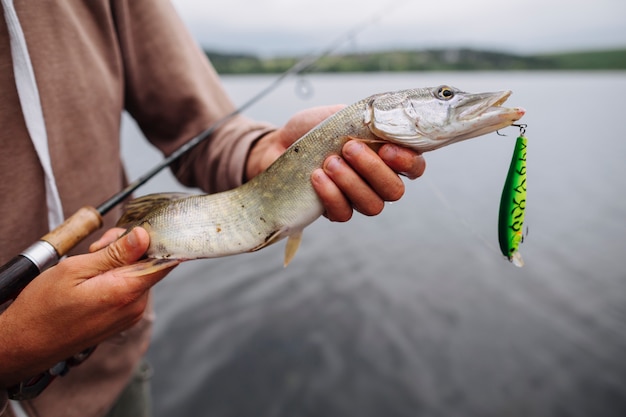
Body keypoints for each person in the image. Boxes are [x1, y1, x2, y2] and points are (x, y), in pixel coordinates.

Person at [0, 1, 425, 416]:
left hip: (110, 371)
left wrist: (263, 153)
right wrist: (11, 347)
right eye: (443, 95)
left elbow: (205, 130)